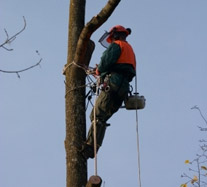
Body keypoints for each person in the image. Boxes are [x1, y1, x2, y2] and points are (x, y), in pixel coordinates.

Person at [81, 25, 136, 159]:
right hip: (122, 90)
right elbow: (122, 67)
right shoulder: (129, 49)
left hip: (113, 84)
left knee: (97, 115)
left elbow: (106, 62)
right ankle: (94, 147)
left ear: (116, 35)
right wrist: (100, 72)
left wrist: (99, 71)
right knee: (103, 118)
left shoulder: (116, 45)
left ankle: (90, 147)